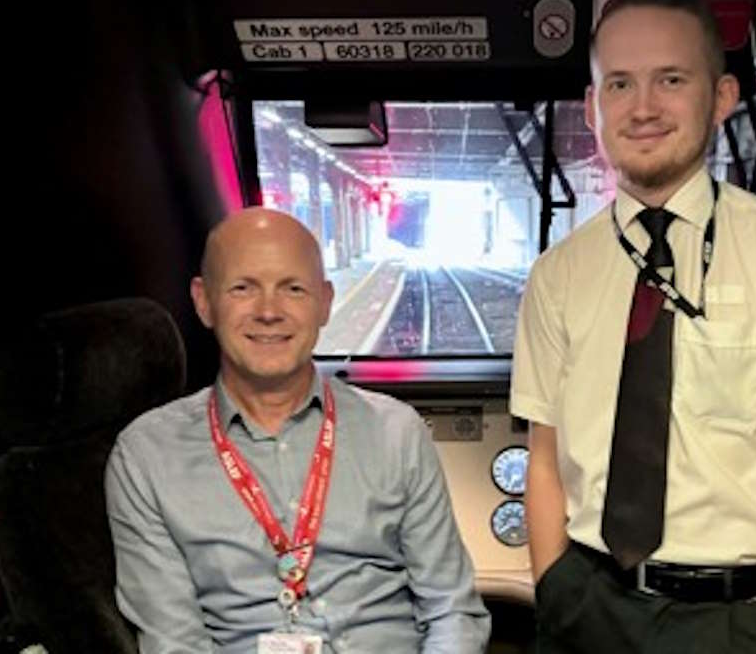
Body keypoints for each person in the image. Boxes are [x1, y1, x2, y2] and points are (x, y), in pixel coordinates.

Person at [512, 0, 756, 654]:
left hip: (742, 618)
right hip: (588, 606)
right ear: (593, 108)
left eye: (671, 79)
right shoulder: (556, 274)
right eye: (619, 83)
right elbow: (545, 460)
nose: (644, 106)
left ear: (722, 96)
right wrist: (556, 589)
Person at [106, 208, 490, 653]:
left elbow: (451, 610)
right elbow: (175, 643)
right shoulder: (145, 456)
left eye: (293, 289)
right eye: (243, 288)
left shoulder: (397, 432)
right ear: (203, 301)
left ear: (324, 303)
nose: (269, 312)